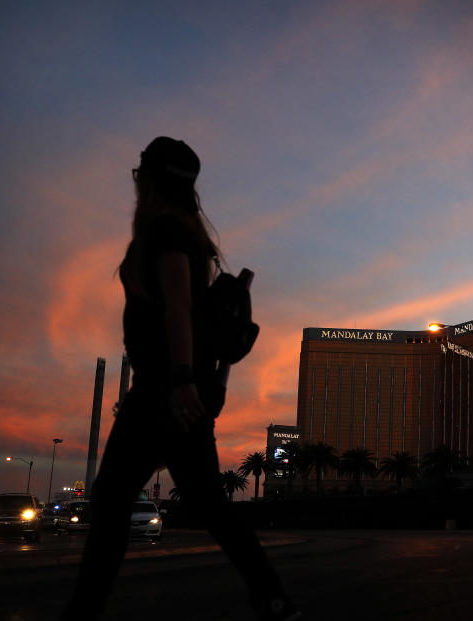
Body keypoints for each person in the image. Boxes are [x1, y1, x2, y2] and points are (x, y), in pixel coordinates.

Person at [62, 137, 300, 621]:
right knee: (208, 505)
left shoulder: (167, 231)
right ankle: (273, 599)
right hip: (176, 386)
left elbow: (178, 309)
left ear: (147, 180)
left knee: (110, 505)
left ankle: (83, 613)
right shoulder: (187, 232)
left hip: (164, 389)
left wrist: (182, 380)